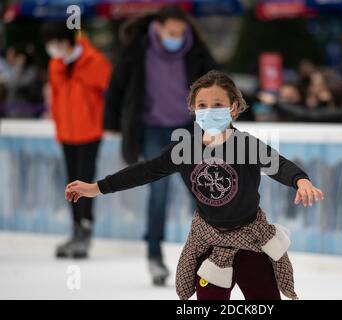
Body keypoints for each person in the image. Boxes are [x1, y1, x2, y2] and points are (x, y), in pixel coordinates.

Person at [64, 70, 324, 300]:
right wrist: (97, 187)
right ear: (194, 109)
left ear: (233, 108)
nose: (209, 110)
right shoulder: (185, 149)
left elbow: (278, 164)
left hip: (251, 241)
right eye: (202, 105)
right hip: (209, 243)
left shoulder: (246, 145)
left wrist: (301, 181)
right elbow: (144, 171)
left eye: (217, 104)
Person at [104, 5, 219, 285]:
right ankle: (155, 256)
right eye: (171, 32)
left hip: (188, 130)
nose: (176, 37)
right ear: (157, 28)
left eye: (180, 32)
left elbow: (218, 85)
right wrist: (111, 123)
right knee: (159, 193)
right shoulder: (137, 50)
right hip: (152, 130)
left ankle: (210, 256)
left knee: (201, 191)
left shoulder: (196, 51)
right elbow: (117, 86)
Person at [41, 22, 112, 259]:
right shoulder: (55, 65)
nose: (53, 49)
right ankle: (75, 230)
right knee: (71, 184)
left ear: (67, 40)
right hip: (66, 133)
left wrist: (110, 122)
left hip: (89, 132)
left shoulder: (95, 61)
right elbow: (57, 96)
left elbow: (111, 93)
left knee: (85, 182)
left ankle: (85, 229)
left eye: (56, 43)